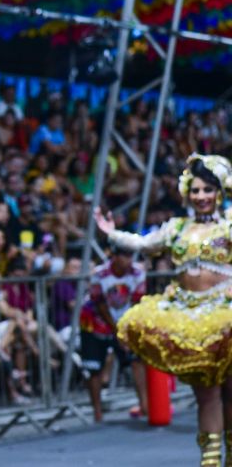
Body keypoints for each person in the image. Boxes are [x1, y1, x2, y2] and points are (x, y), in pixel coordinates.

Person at [96, 154, 232, 464]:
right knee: (206, 393)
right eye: (195, 190)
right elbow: (143, 244)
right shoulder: (176, 228)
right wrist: (111, 233)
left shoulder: (230, 225)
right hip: (189, 317)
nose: (201, 197)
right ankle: (210, 461)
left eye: (208, 190)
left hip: (226, 315)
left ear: (220, 192)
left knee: (231, 392)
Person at [77, 245, 148, 423]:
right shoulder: (99, 274)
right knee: (94, 368)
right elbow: (99, 304)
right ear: (114, 256)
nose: (129, 260)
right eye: (124, 255)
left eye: (130, 255)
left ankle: (145, 406)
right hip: (95, 323)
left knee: (136, 360)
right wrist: (116, 329)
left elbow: (137, 302)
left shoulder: (138, 274)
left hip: (124, 320)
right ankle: (98, 413)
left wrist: (125, 330)